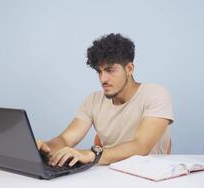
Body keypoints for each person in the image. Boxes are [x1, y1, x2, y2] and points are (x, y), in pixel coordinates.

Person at [36, 33, 174, 167]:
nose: (103, 79)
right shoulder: (93, 100)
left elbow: (141, 146)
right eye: (99, 72)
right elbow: (65, 139)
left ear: (129, 69)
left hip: (149, 180)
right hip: (108, 178)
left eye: (110, 70)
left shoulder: (156, 94)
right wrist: (45, 148)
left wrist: (91, 155)